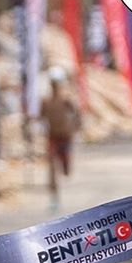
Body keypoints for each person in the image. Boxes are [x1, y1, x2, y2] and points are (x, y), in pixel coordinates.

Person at [40, 66, 81, 212]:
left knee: (66, 170)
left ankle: (65, 169)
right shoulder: (46, 101)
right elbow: (41, 117)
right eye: (53, 82)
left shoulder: (66, 99)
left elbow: (77, 113)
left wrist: (76, 127)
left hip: (66, 137)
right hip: (52, 137)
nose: (54, 85)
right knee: (51, 166)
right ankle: (54, 197)